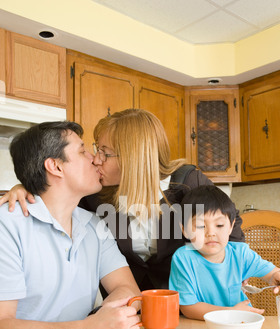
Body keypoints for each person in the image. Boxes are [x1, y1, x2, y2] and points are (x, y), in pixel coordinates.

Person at [0, 109, 245, 293]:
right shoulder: (96, 195)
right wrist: (23, 185)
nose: (96, 159)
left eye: (104, 152)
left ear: (133, 158)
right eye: (95, 150)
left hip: (190, 297)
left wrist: (232, 280)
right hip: (126, 301)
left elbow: (230, 231)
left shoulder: (186, 183)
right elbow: (57, 192)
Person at [0, 121, 140, 329]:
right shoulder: (7, 225)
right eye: (82, 150)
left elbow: (126, 288)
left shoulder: (94, 225)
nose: (94, 158)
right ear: (55, 167)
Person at [169, 186, 280, 320]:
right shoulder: (182, 258)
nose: (211, 233)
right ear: (185, 230)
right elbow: (188, 308)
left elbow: (271, 273)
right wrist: (230, 312)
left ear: (231, 226)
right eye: (201, 226)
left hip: (240, 323)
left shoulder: (240, 253)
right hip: (199, 327)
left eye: (219, 225)